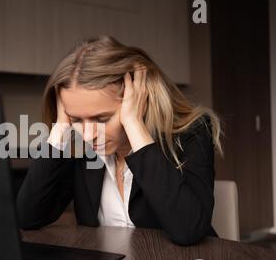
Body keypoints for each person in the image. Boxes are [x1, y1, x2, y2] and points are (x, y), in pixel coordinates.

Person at [16, 35, 222, 246]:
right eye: (76, 119)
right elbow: (28, 217)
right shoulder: (82, 151)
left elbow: (189, 230)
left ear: (137, 99)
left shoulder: (192, 133)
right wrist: (60, 128)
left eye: (102, 118)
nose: (88, 135)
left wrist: (134, 125)